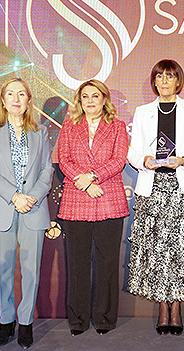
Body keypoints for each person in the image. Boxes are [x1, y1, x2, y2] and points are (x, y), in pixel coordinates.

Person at [127, 59, 184, 335]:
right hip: (152, 191)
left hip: (183, 190)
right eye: (159, 77)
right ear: (154, 81)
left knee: (180, 251)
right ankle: (162, 308)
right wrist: (145, 160)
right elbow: (133, 153)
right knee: (156, 252)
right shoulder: (142, 112)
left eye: (169, 77)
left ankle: (176, 308)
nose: (164, 82)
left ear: (178, 81)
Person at [0, 78, 54, 349]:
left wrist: (30, 197)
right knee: (4, 271)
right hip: (2, 208)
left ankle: (25, 324)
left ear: (28, 100)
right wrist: (14, 196)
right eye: (10, 93)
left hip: (33, 208)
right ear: (2, 99)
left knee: (31, 270)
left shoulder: (40, 131)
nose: (15, 98)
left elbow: (47, 170)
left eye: (21, 94)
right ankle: (6, 322)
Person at [57, 79, 129, 336]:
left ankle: (105, 318)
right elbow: (63, 160)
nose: (90, 101)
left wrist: (94, 177)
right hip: (77, 199)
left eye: (95, 96)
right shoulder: (68, 126)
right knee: (77, 263)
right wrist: (85, 183)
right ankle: (78, 320)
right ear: (80, 101)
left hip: (109, 199)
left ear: (104, 100)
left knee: (107, 262)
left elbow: (119, 160)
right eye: (85, 96)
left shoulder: (118, 127)